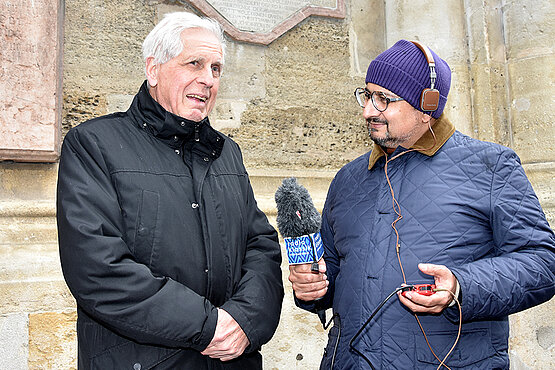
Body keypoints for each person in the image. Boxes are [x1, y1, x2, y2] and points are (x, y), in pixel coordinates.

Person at [289, 39, 555, 369]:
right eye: (367, 95)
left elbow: (543, 263)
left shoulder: (493, 166)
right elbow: (331, 275)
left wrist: (463, 286)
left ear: (426, 105)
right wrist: (312, 286)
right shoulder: (347, 179)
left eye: (384, 99)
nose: (368, 110)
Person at [57, 12, 284, 369]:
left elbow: (260, 247)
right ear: (154, 69)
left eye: (216, 69)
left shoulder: (228, 153)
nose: (207, 79)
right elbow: (97, 267)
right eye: (194, 63)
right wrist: (207, 326)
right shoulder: (93, 144)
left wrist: (245, 320)